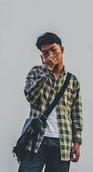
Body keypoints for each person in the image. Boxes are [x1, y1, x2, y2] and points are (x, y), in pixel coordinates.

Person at [18, 32, 83, 172]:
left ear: (62, 50)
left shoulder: (72, 80)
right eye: (46, 52)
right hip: (36, 140)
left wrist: (77, 142)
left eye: (54, 50)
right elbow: (31, 97)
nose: (51, 55)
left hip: (62, 142)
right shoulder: (35, 73)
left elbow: (76, 113)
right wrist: (46, 69)